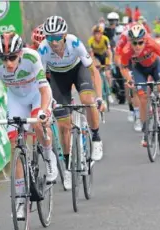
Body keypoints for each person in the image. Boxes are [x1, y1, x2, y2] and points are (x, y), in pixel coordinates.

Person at [0, 32, 57, 218]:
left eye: (12, 58)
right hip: (16, 100)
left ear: (20, 53)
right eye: (3, 58)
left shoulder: (32, 57)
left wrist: (45, 112)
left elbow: (44, 90)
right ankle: (21, 199)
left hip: (37, 96)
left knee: (39, 125)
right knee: (15, 145)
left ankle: (48, 156)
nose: (8, 63)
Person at [38, 16, 104, 189]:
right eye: (49, 37)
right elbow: (41, 79)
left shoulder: (74, 43)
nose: (53, 42)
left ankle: (96, 138)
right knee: (64, 126)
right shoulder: (43, 49)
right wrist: (47, 101)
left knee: (87, 100)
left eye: (57, 37)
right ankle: (67, 168)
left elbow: (93, 71)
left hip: (78, 71)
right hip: (58, 78)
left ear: (64, 35)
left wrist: (99, 97)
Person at [118, 24, 160, 147]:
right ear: (130, 43)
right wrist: (129, 79)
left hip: (155, 66)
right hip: (139, 70)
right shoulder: (126, 50)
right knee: (143, 98)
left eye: (140, 43)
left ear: (145, 40)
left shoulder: (151, 43)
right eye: (134, 43)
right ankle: (145, 131)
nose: (137, 46)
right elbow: (123, 67)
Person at [115, 22, 142, 131]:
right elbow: (118, 56)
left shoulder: (144, 35)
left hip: (141, 58)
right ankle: (132, 110)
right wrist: (122, 68)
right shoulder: (123, 39)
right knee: (130, 85)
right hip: (128, 60)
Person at [88, 25, 113, 100]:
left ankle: (110, 93)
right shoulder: (91, 40)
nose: (97, 35)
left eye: (99, 33)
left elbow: (109, 52)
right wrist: (93, 63)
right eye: (95, 33)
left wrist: (110, 62)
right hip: (96, 56)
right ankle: (99, 92)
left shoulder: (105, 39)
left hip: (104, 55)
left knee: (108, 75)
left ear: (102, 34)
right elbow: (91, 54)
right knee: (96, 72)